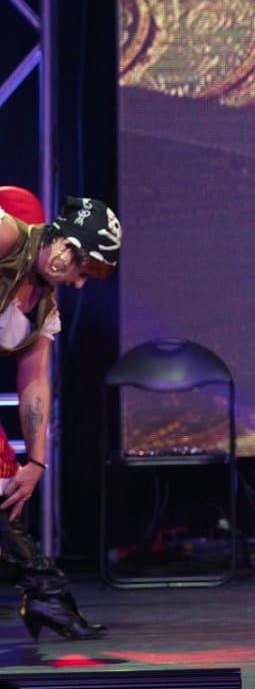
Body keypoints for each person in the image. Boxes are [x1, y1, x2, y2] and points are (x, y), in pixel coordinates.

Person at [0, 190, 118, 642]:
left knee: (5, 482)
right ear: (65, 246)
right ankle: (46, 595)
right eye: (82, 270)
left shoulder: (45, 307)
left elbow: (34, 380)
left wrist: (36, 461)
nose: (79, 283)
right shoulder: (8, 235)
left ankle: (45, 595)